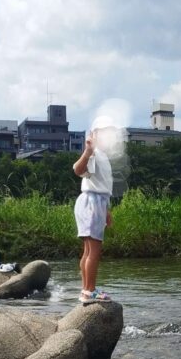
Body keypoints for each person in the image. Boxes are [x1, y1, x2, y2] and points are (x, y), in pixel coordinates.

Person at [72, 119, 115, 303]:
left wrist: (106, 211)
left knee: (88, 250)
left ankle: (86, 290)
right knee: (94, 251)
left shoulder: (102, 156)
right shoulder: (94, 153)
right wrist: (88, 150)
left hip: (95, 202)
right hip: (92, 202)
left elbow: (102, 185)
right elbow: (77, 169)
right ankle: (89, 291)